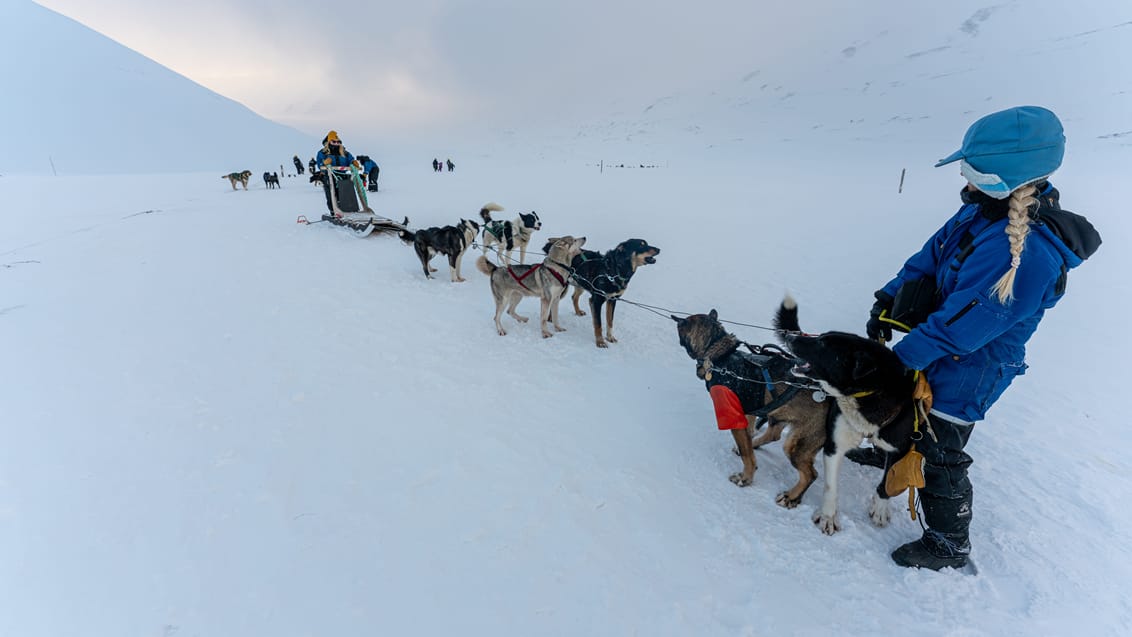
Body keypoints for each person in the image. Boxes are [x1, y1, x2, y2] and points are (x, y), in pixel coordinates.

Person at [855, 106, 1100, 570]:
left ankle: (948, 543)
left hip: (973, 368)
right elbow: (929, 256)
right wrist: (886, 301)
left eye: (975, 173)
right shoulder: (983, 212)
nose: (965, 184)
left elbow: (960, 328)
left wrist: (894, 362)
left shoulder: (1027, 256)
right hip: (938, 345)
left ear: (1010, 178)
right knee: (906, 412)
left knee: (939, 446)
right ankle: (890, 454)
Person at [315, 130, 359, 212]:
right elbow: (319, 165)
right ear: (328, 142)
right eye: (333, 141)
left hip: (342, 175)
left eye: (338, 142)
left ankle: (349, 209)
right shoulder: (323, 153)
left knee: (346, 193)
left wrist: (353, 162)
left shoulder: (344, 152)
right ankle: (333, 211)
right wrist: (324, 163)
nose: (336, 143)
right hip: (329, 176)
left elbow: (350, 159)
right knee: (332, 194)